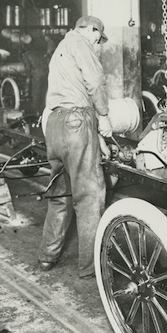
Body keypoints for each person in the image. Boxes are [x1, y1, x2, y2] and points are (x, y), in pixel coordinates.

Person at [38, 16, 112, 279]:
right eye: (97, 37)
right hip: (76, 122)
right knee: (89, 196)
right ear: (91, 29)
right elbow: (95, 80)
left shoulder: (60, 48)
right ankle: (90, 266)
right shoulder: (81, 44)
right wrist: (103, 117)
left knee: (60, 196)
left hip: (55, 125)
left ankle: (48, 255)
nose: (97, 43)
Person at [20, 42, 50, 116]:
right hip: (46, 73)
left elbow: (28, 68)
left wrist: (28, 77)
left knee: (36, 93)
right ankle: (43, 110)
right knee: (43, 92)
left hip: (37, 74)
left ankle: (36, 112)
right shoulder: (38, 53)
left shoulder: (25, 56)